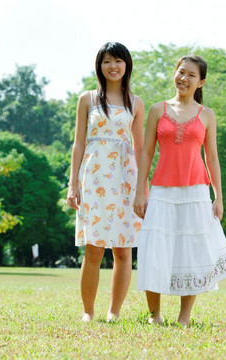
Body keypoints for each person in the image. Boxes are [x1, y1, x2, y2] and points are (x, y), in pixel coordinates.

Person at [133, 54, 226, 326]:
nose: (184, 79)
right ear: (174, 74)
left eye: (192, 75)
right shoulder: (158, 109)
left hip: (196, 192)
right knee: (155, 249)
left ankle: (184, 317)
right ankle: (154, 315)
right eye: (181, 72)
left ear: (201, 81)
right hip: (162, 191)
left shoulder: (208, 115)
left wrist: (219, 196)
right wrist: (140, 192)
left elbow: (211, 158)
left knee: (192, 250)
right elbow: (146, 154)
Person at [67, 42, 145, 322]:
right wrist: (72, 184)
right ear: (100, 66)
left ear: (127, 65)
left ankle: (114, 313)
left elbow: (140, 149)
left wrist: (142, 188)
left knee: (123, 249)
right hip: (94, 176)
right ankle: (88, 312)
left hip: (126, 178)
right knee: (94, 247)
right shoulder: (87, 99)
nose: (113, 66)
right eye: (107, 61)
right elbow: (78, 143)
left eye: (118, 61)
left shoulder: (136, 103)